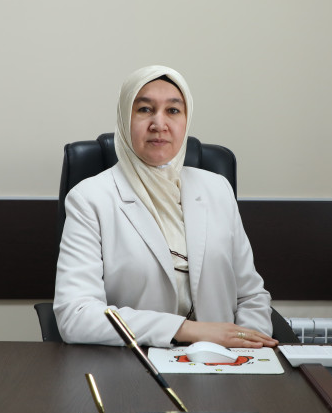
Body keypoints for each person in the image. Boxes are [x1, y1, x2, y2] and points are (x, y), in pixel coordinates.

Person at [53, 65, 276, 348]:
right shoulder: (90, 198)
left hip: (223, 362)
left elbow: (251, 296)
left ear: (186, 119)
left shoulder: (217, 189)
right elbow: (76, 315)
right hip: (134, 362)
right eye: (145, 109)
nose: (159, 123)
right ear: (124, 118)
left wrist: (248, 348)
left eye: (173, 110)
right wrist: (186, 330)